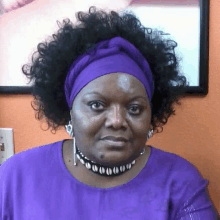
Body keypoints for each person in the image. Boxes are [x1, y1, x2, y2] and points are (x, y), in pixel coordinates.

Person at [0, 6, 218, 219]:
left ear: (151, 117)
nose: (116, 121)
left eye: (134, 108)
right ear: (70, 113)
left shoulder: (180, 182)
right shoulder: (15, 178)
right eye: (97, 105)